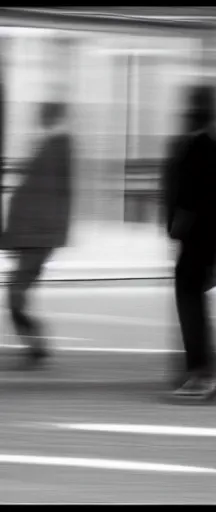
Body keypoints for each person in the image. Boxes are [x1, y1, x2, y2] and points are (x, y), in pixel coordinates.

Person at [161, 85, 216, 402]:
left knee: (190, 303)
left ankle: (202, 373)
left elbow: (214, 201)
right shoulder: (210, 143)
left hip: (201, 240)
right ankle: (204, 368)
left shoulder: (207, 146)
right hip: (199, 240)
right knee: (192, 304)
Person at [1, 102, 72, 369]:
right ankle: (36, 346)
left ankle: (38, 346)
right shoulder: (50, 146)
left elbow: (42, 197)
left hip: (37, 236)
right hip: (32, 236)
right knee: (16, 293)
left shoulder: (57, 147)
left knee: (15, 295)